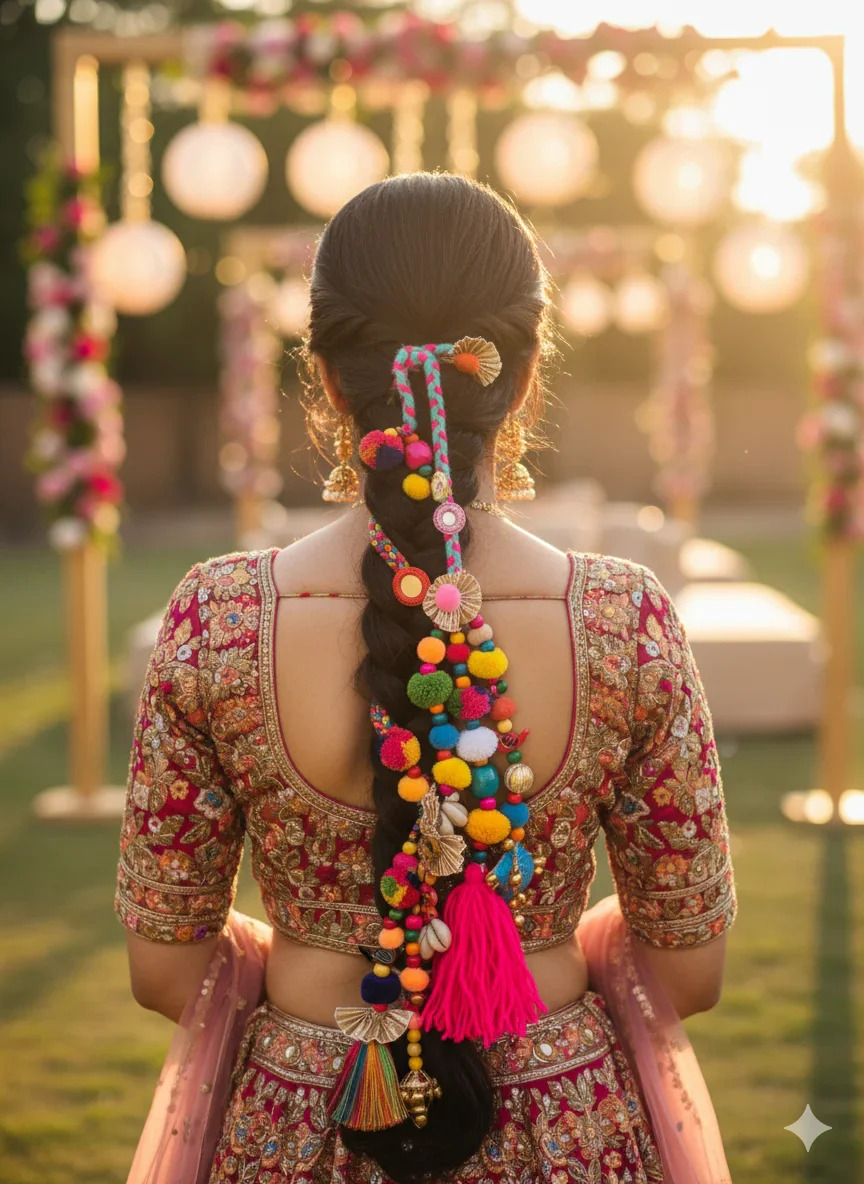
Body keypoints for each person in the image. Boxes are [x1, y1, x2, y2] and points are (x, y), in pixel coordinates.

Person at [114, 173, 737, 1184]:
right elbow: (690, 969)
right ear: (523, 374)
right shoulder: (626, 621)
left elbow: (165, 968)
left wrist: (345, 951)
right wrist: (521, 940)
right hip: (567, 1120)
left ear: (325, 375)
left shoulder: (216, 618)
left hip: (299, 1115)